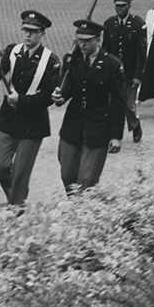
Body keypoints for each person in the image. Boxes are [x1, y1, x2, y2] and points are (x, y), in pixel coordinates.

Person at [0, 10, 61, 209]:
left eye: (33, 32)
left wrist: (21, 100)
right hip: (8, 118)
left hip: (32, 123)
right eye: (25, 30)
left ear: (42, 33)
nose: (28, 35)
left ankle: (16, 208)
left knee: (20, 173)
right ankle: (17, 199)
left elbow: (47, 97)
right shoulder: (12, 51)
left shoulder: (51, 61)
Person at [52, 20, 126, 195]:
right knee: (67, 173)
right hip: (73, 122)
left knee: (87, 179)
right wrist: (59, 97)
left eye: (87, 41)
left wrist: (116, 135)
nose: (82, 45)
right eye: (79, 40)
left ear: (98, 39)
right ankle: (77, 207)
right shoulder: (71, 60)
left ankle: (82, 213)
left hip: (98, 124)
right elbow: (66, 89)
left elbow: (118, 101)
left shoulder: (112, 64)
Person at [102, 0, 147, 143]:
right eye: (117, 6)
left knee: (129, 105)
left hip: (130, 71)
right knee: (111, 102)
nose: (119, 9)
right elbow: (105, 49)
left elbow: (141, 53)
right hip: (113, 72)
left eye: (122, 6)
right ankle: (112, 132)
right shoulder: (109, 24)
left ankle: (135, 125)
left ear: (129, 5)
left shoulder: (138, 24)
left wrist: (137, 76)